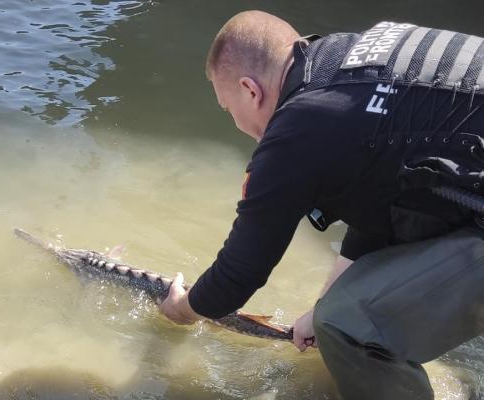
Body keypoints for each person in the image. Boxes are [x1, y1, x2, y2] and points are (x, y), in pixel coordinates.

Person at [159, 10, 484, 400]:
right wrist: (319, 304)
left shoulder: (297, 132)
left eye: (229, 110)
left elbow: (239, 274)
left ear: (250, 89)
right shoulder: (348, 61)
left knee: (347, 325)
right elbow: (381, 201)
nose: (236, 125)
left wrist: (179, 311)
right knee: (332, 313)